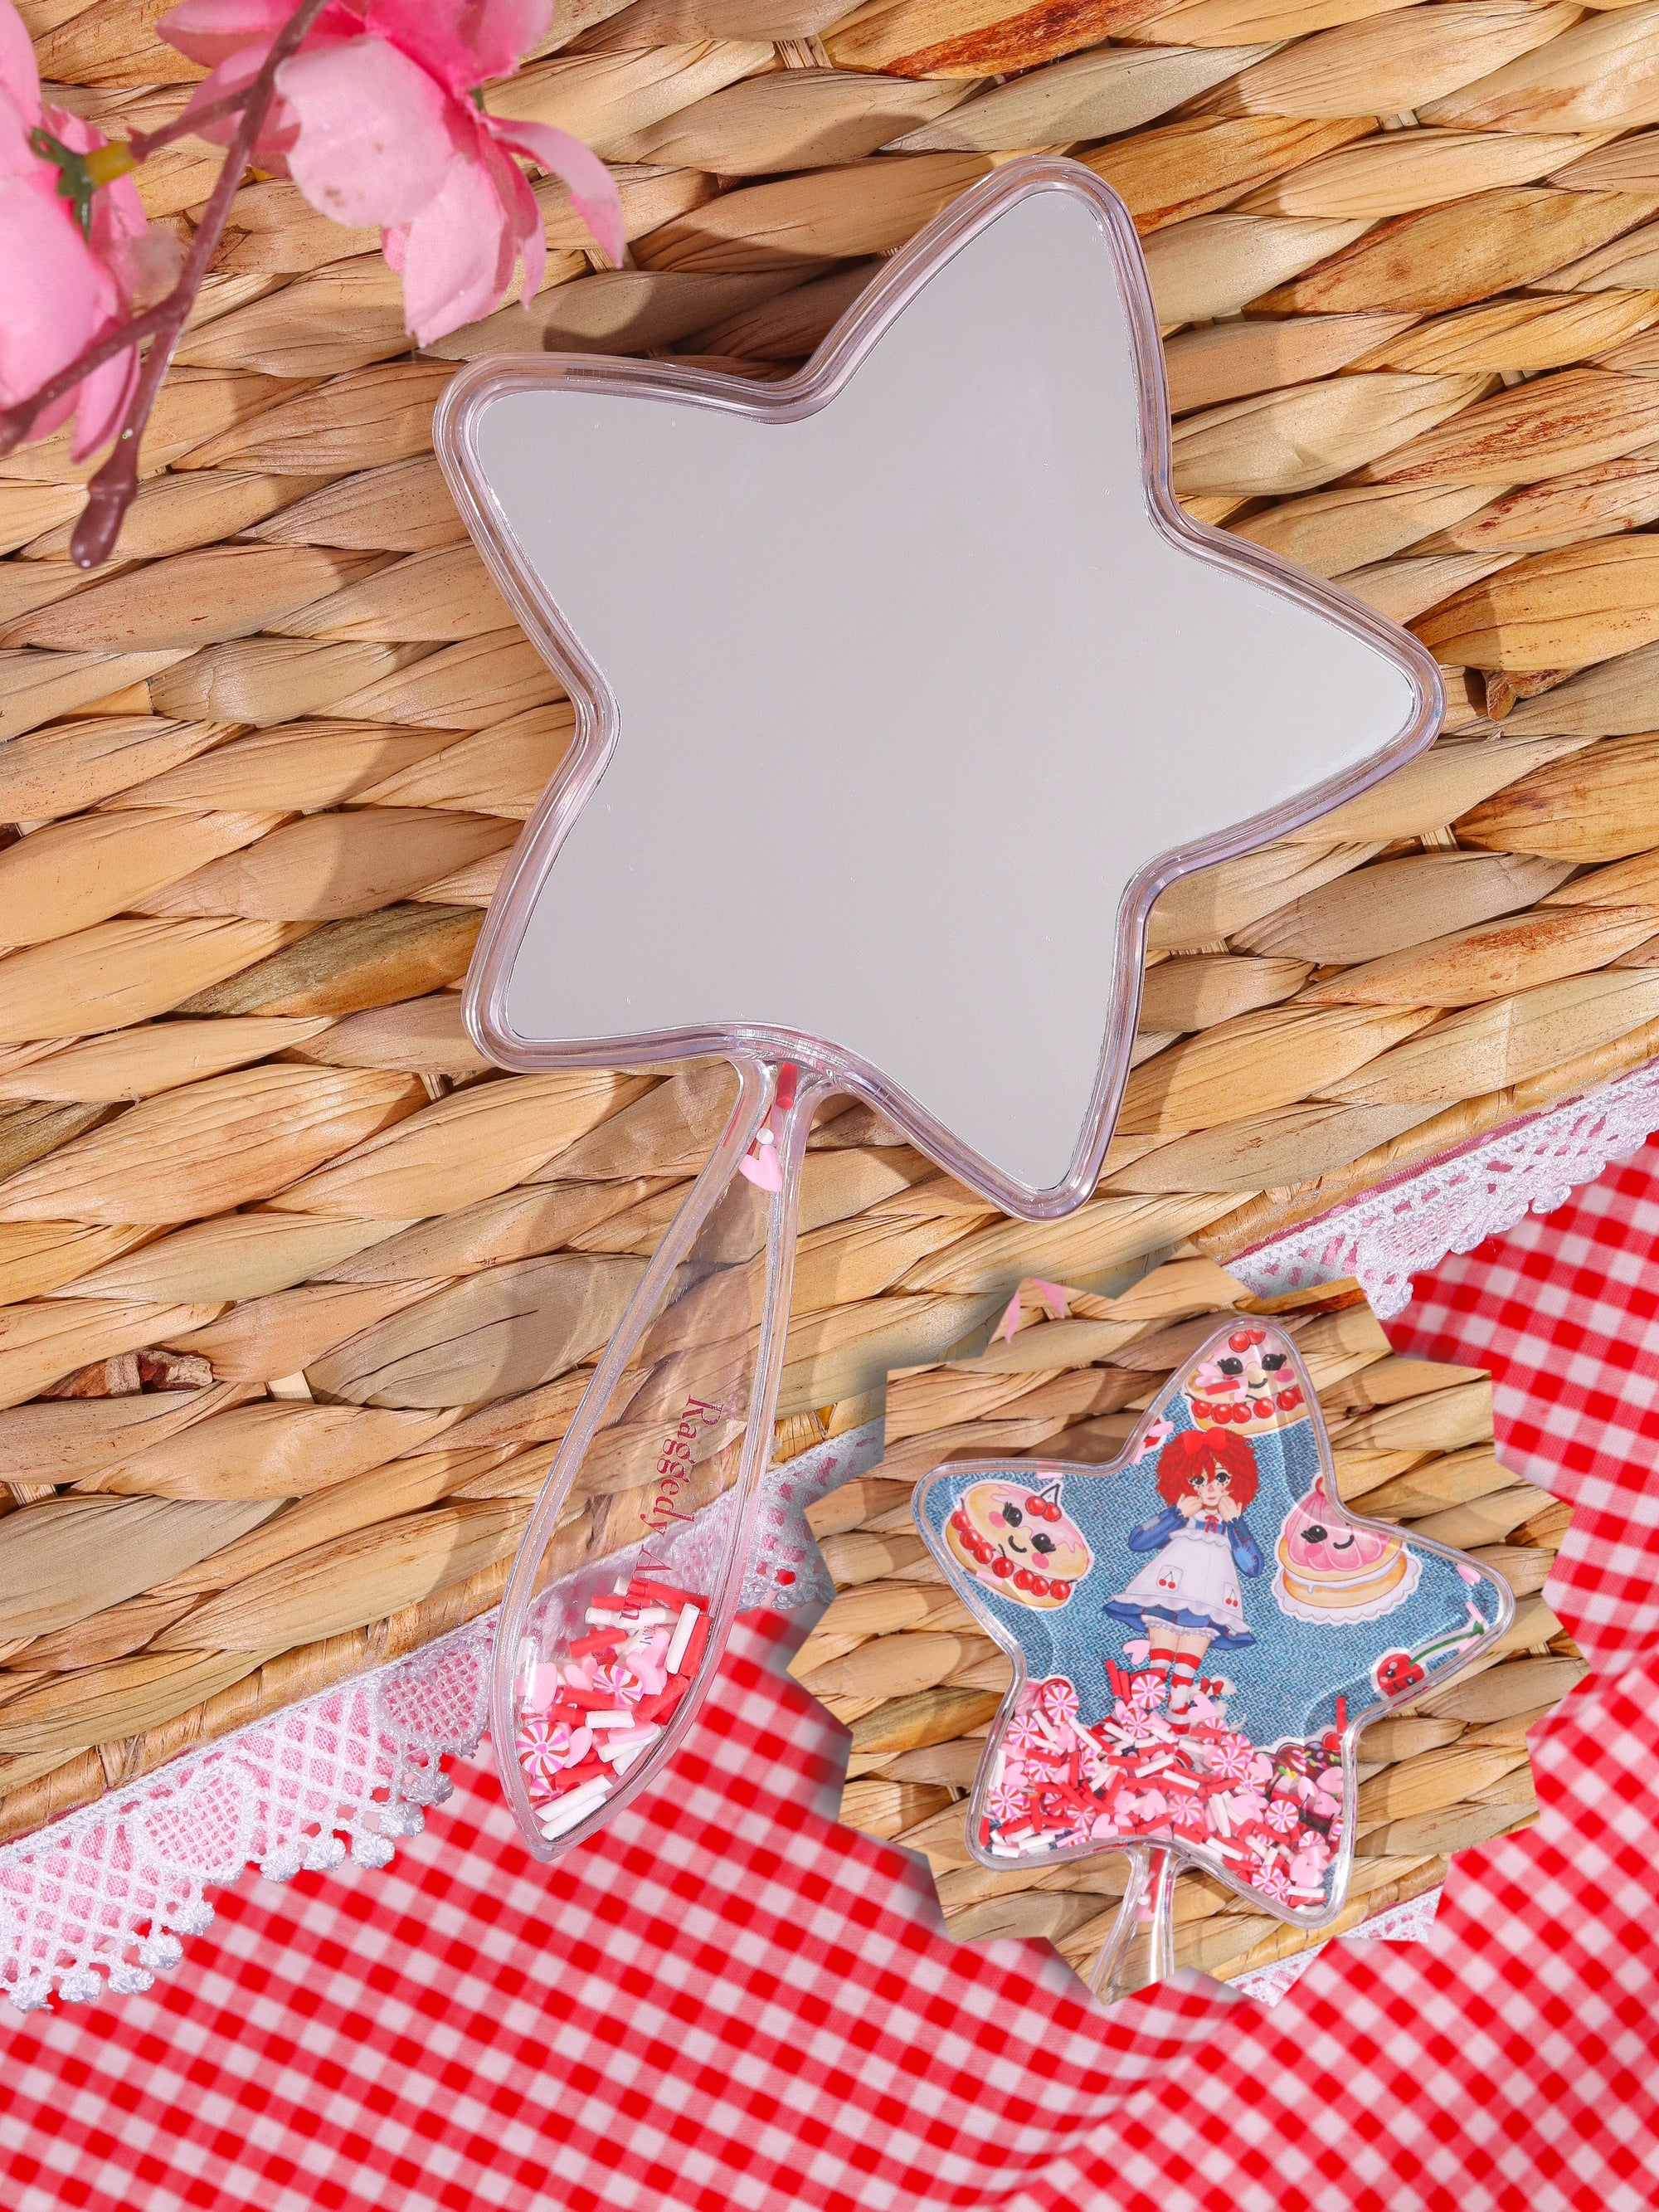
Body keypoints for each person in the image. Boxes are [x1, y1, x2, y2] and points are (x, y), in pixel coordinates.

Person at [1105, 1427, 1264, 1726]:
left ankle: (1176, 1723)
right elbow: (1138, 1540)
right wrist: (1175, 1514)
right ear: (1184, 1481)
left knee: (1185, 1672)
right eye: (1198, 1479)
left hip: (1212, 1595)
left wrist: (1237, 1523)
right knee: (1159, 1664)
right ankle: (1139, 1720)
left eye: (1221, 1477)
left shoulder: (1231, 1523)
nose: (1211, 1488)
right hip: (1170, 1587)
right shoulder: (1181, 1514)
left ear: (1237, 1479)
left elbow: (1253, 1566)